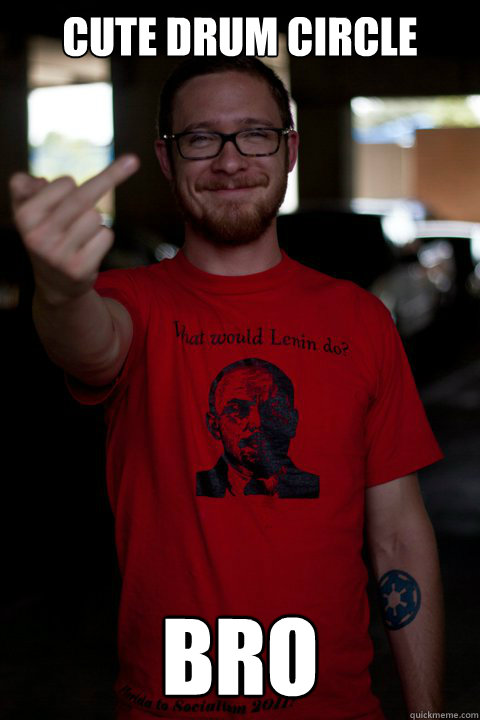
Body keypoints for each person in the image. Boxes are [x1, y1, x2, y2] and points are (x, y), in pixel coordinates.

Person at [10, 56, 445, 720]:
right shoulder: (129, 304)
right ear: (167, 157)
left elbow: (399, 538)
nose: (231, 159)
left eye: (255, 134)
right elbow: (88, 343)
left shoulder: (360, 320)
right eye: (202, 137)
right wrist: (61, 288)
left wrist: (430, 712)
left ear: (291, 148)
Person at [196, 357, 319, 497]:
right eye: (238, 410)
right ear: (213, 426)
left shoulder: (314, 489)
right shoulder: (196, 487)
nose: (257, 423)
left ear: (293, 422)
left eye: (273, 409)